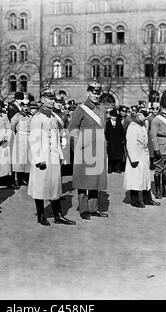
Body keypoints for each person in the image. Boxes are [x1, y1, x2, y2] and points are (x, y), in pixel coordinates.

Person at [28, 88, 76, 226]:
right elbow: (34, 140)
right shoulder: (37, 118)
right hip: (42, 157)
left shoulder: (53, 118)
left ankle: (58, 215)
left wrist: (60, 155)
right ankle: (41, 215)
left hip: (53, 157)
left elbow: (57, 139)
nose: (51, 101)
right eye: (48, 98)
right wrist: (38, 159)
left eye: (52, 98)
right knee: (40, 187)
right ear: (42, 99)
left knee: (55, 186)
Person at [68, 80, 108, 220]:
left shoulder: (102, 109)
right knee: (83, 180)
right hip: (84, 149)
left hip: (98, 148)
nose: (96, 95)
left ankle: (94, 208)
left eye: (98, 92)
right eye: (93, 92)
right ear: (88, 92)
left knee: (95, 180)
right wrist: (77, 148)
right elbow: (72, 130)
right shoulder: (81, 109)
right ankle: (84, 209)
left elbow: (104, 128)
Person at [124, 108, 160, 208]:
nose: (143, 116)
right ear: (137, 115)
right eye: (141, 114)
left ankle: (147, 199)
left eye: (144, 114)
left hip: (143, 155)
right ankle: (135, 201)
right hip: (136, 155)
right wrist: (133, 159)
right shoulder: (133, 126)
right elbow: (130, 143)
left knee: (145, 178)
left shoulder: (142, 126)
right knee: (135, 179)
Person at [149, 90, 166, 199]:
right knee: (158, 169)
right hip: (161, 146)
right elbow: (153, 136)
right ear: (161, 106)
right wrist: (156, 149)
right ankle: (158, 191)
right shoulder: (156, 119)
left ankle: (165, 191)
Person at [11, 98, 32, 186]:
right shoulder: (17, 116)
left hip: (29, 138)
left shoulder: (30, 116)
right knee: (19, 159)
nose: (26, 108)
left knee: (28, 159)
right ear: (21, 106)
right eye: (24, 106)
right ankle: (18, 180)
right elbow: (12, 125)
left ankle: (26, 178)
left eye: (27, 106)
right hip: (20, 139)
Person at [105, 109, 125, 174]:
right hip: (111, 143)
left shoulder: (119, 123)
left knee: (118, 157)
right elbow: (106, 133)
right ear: (110, 116)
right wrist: (107, 140)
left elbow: (122, 132)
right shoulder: (107, 123)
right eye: (113, 116)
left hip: (118, 143)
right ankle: (110, 169)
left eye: (115, 116)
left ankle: (117, 168)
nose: (114, 118)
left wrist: (122, 140)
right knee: (111, 156)